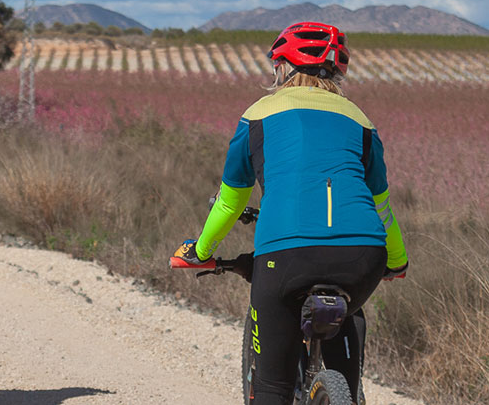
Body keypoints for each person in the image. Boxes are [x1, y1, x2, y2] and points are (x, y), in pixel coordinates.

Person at [173, 21, 408, 405]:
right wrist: (397, 262)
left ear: (282, 68)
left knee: (271, 389)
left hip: (287, 255)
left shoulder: (259, 115)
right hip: (363, 255)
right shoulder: (361, 121)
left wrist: (200, 251)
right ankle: (347, 391)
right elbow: (381, 205)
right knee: (350, 309)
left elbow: (230, 201)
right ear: (337, 72)